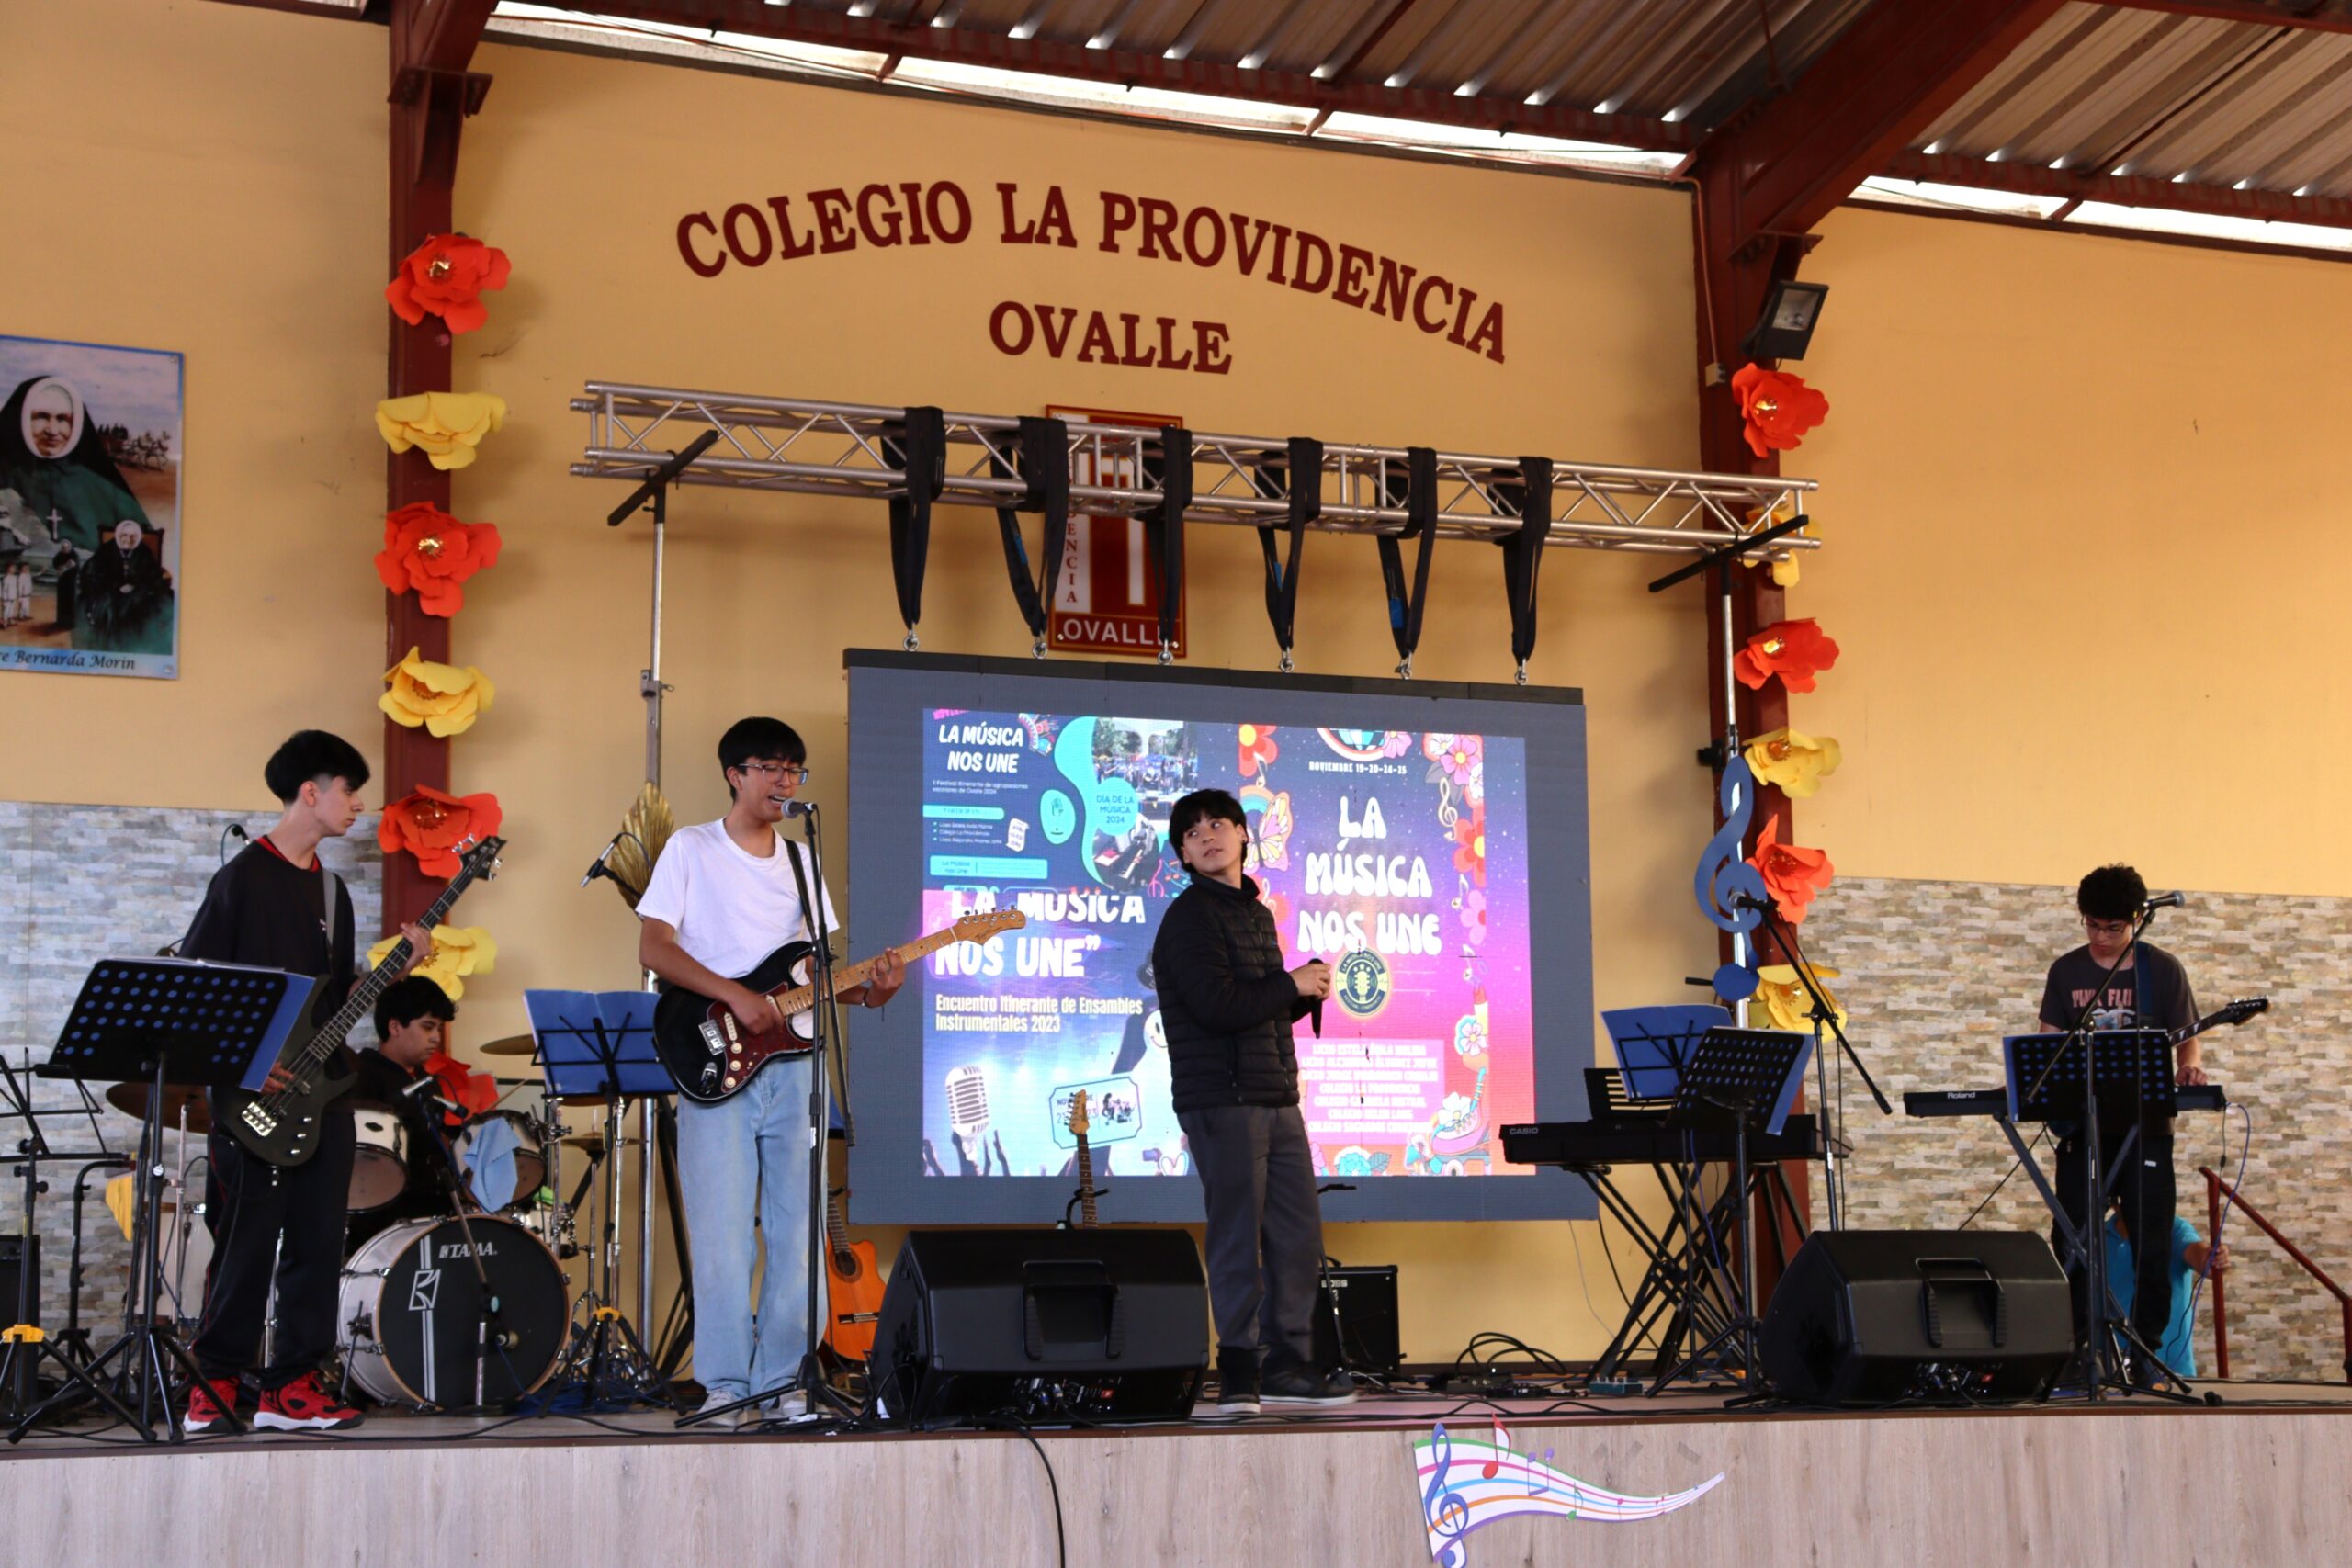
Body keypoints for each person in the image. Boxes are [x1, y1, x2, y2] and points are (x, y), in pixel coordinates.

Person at [636, 717, 904, 1425]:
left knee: (798, 1233)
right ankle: (726, 1386)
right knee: (723, 1237)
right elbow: (654, 948)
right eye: (772, 768)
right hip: (716, 1060)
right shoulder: (691, 847)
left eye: (794, 770)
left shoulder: (801, 861)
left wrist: (876, 989)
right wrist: (734, 995)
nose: (786, 781)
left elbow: (815, 979)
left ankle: (784, 1382)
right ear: (736, 773)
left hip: (796, 1067)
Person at [179, 731, 426, 1435]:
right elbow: (198, 991)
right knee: (246, 1243)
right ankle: (213, 1383)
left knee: (318, 1241)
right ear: (310, 792)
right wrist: (247, 1062)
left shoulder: (332, 891)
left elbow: (333, 999)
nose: (358, 804)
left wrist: (396, 968)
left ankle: (290, 1387)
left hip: (327, 1091)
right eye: (349, 790)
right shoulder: (239, 881)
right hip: (250, 1096)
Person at [1151, 787, 1352, 1417]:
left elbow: (1251, 1009)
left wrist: (1299, 993)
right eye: (1192, 833)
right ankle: (1240, 1374)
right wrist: (1287, 983)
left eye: (1218, 824)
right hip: (1222, 1101)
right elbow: (1215, 1008)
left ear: (1243, 834)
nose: (1207, 836)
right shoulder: (1188, 918)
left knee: (1297, 1236)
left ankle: (1288, 1366)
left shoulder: (1255, 915)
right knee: (1239, 1237)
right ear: (1183, 856)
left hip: (1275, 1097)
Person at [2039, 862, 2200, 1384]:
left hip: (2145, 1123)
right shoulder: (2067, 971)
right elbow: (2047, 1041)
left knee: (2152, 1238)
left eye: (2114, 927)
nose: (2102, 937)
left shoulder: (2162, 970)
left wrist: (2187, 1068)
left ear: (2136, 920)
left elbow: (2187, 1036)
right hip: (2082, 1124)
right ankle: (2076, 1350)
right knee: (2072, 1237)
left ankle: (2147, 1354)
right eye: (2092, 925)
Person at [345, 976, 463, 1252]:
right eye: (427, 1027)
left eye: (439, 1028)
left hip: (431, 1211)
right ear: (395, 1026)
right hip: (378, 1219)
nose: (436, 1037)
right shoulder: (360, 1076)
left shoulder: (429, 1083)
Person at [0, 376, 147, 557]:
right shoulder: (5, 478)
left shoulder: (105, 489)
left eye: (63, 419)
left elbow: (144, 548)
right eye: (41, 417)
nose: (53, 430)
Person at [2106, 1204, 2230, 1380]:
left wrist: (2212, 1260)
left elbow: (2199, 1257)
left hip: (2171, 1371)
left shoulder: (2173, 1229)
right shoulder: (2098, 1235)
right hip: (2110, 1370)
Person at [76, 516, 172, 653]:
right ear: (118, 535)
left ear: (138, 537)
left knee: (146, 607)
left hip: (137, 592)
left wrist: (134, 586)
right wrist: (116, 587)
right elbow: (91, 572)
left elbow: (152, 576)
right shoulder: (106, 550)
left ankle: (136, 646)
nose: (128, 539)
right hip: (110, 590)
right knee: (109, 608)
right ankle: (109, 646)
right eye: (124, 535)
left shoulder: (144, 552)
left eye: (133, 536)